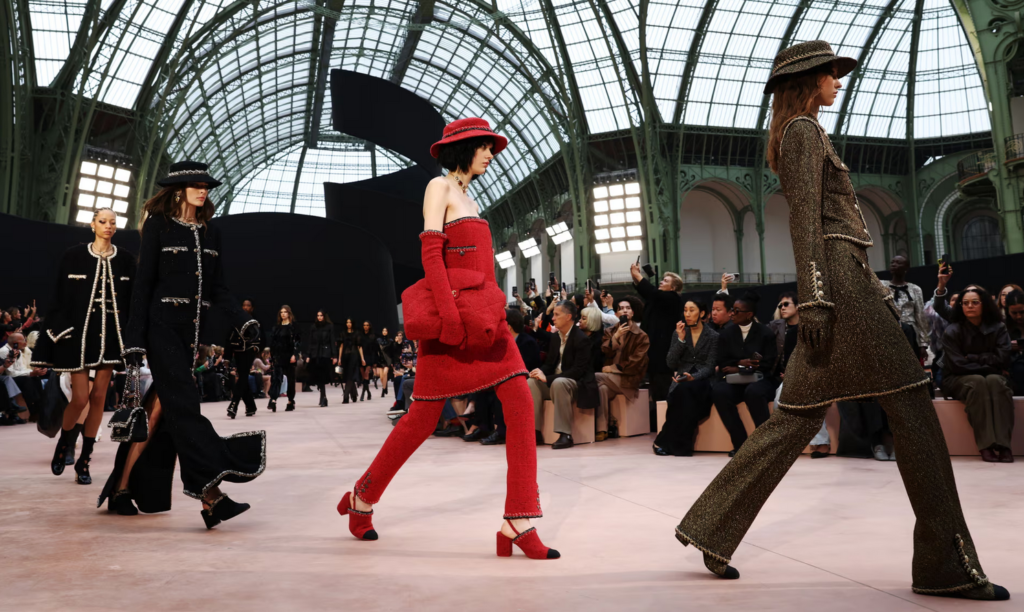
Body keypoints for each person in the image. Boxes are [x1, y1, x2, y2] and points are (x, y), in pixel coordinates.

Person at [674, 42, 1007, 601]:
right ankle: (943, 565)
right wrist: (819, 299)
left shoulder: (807, 132)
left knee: (796, 419)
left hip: (845, 283)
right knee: (913, 411)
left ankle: (711, 526)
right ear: (809, 79)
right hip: (843, 289)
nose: (839, 80)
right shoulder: (804, 132)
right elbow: (804, 222)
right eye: (832, 72)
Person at [339, 118, 558, 559]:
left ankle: (518, 520)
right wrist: (449, 316)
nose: (491, 154)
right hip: (452, 321)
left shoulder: (470, 196)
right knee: (420, 418)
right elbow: (430, 255)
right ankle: (362, 499)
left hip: (486, 319)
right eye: (484, 146)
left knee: (519, 399)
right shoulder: (438, 187)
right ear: (463, 148)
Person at [100, 161, 264, 528]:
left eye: (205, 184)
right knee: (187, 409)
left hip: (192, 336)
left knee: (161, 415)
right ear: (177, 190)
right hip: (161, 330)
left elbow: (218, 288)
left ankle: (122, 488)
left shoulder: (212, 233)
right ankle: (212, 496)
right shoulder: (158, 226)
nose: (203, 189)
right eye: (195, 184)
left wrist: (244, 319)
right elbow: (143, 286)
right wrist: (134, 342)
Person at [29, 208, 134, 484]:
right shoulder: (73, 256)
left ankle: (84, 461)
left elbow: (132, 301)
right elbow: (58, 299)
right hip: (78, 338)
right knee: (80, 398)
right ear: (92, 224)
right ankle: (65, 444)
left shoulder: (125, 260)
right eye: (102, 221)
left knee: (100, 397)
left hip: (111, 337)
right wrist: (53, 338)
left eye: (112, 222)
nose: (108, 226)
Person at [941, 286, 1014, 463]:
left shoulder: (998, 327)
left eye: (975, 302)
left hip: (990, 376)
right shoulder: (952, 330)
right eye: (965, 303)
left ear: (984, 305)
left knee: (997, 382)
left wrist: (972, 357)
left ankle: (1004, 445)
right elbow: (957, 365)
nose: (970, 306)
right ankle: (986, 445)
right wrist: (989, 364)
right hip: (956, 378)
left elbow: (1003, 357)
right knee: (978, 383)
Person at [709, 291, 778, 455]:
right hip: (735, 380)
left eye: (737, 311)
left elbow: (767, 363)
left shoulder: (765, 333)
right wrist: (740, 364)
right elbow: (722, 362)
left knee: (753, 392)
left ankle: (764, 444)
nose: (732, 314)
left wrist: (741, 366)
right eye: (732, 310)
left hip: (760, 379)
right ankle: (740, 444)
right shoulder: (726, 334)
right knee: (719, 391)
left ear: (749, 314)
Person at [527, 300, 598, 450]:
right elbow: (549, 364)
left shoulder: (582, 339)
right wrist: (539, 372)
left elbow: (578, 371)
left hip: (577, 384)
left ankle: (565, 434)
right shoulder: (555, 337)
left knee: (560, 382)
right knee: (531, 382)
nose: (553, 318)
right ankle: (535, 432)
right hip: (557, 382)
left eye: (556, 314)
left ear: (568, 317)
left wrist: (549, 378)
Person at [653, 300, 719, 456]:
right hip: (682, 379)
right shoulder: (679, 332)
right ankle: (681, 446)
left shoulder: (713, 336)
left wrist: (693, 377)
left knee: (685, 392)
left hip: (704, 380)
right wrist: (681, 340)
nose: (687, 314)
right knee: (682, 393)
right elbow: (671, 363)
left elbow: (709, 367)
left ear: (701, 313)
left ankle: (663, 441)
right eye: (685, 310)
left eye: (692, 310)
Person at [595, 295, 649, 441]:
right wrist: (615, 337)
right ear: (617, 313)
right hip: (611, 380)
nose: (624, 311)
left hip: (628, 379)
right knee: (601, 389)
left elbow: (636, 363)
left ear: (632, 312)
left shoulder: (641, 336)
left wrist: (614, 368)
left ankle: (608, 422)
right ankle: (603, 429)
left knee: (594, 377)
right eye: (621, 308)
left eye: (628, 308)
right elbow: (605, 351)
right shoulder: (610, 331)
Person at [629, 264, 683, 403]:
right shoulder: (658, 299)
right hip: (652, 351)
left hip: (663, 354)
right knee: (655, 390)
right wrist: (635, 278)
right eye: (662, 279)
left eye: (666, 281)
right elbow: (648, 293)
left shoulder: (672, 298)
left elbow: (651, 293)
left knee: (663, 391)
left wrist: (638, 276)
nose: (661, 281)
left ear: (673, 288)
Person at [880, 255, 930, 361]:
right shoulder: (881, 285)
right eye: (892, 262)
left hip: (910, 332)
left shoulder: (915, 289)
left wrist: (923, 344)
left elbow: (920, 317)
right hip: (888, 330)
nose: (894, 265)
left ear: (906, 268)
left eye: (898, 263)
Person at [267, 305, 299, 412]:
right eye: (281, 312)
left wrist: (295, 354)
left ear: (289, 313)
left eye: (285, 312)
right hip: (278, 356)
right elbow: (273, 343)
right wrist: (272, 356)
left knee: (290, 379)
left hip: (289, 356)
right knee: (276, 378)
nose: (283, 314)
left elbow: (297, 342)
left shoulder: (293, 327)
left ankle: (290, 401)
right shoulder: (276, 328)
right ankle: (273, 400)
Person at [305, 310, 337, 407]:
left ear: (324, 316)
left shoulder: (329, 327)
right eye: (318, 315)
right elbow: (311, 342)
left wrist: (334, 355)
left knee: (323, 376)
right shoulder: (313, 327)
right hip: (315, 354)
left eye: (321, 315)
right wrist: (308, 355)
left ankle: (323, 397)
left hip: (325, 354)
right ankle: (322, 397)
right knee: (318, 376)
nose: (319, 317)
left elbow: (332, 341)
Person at [1005, 290, 1024, 395]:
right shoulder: (1002, 327)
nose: (1019, 316)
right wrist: (1007, 347)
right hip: (1012, 373)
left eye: (1022, 312)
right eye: (1014, 313)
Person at [339, 319, 360, 403]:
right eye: (347, 322)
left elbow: (359, 346)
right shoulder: (343, 333)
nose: (348, 324)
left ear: (352, 323)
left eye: (350, 322)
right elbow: (341, 346)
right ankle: (354, 394)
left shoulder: (356, 333)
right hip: (345, 356)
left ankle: (346, 396)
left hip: (354, 356)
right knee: (348, 376)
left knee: (350, 375)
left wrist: (362, 359)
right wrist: (339, 358)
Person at [357, 321, 380, 401]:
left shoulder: (373, 336)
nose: (365, 326)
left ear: (369, 326)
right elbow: (359, 347)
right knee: (363, 376)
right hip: (361, 356)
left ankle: (363, 393)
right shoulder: (360, 335)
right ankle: (368, 392)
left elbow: (375, 349)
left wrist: (375, 361)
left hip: (369, 356)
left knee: (366, 374)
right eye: (364, 325)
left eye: (367, 325)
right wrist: (361, 358)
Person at [376, 327, 395, 398]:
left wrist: (392, 361)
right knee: (381, 377)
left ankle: (383, 390)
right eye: (383, 330)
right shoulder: (378, 340)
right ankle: (385, 386)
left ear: (388, 332)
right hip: (381, 359)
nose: (384, 332)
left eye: (386, 330)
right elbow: (377, 350)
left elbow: (392, 351)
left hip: (388, 359)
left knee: (385, 373)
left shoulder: (390, 340)